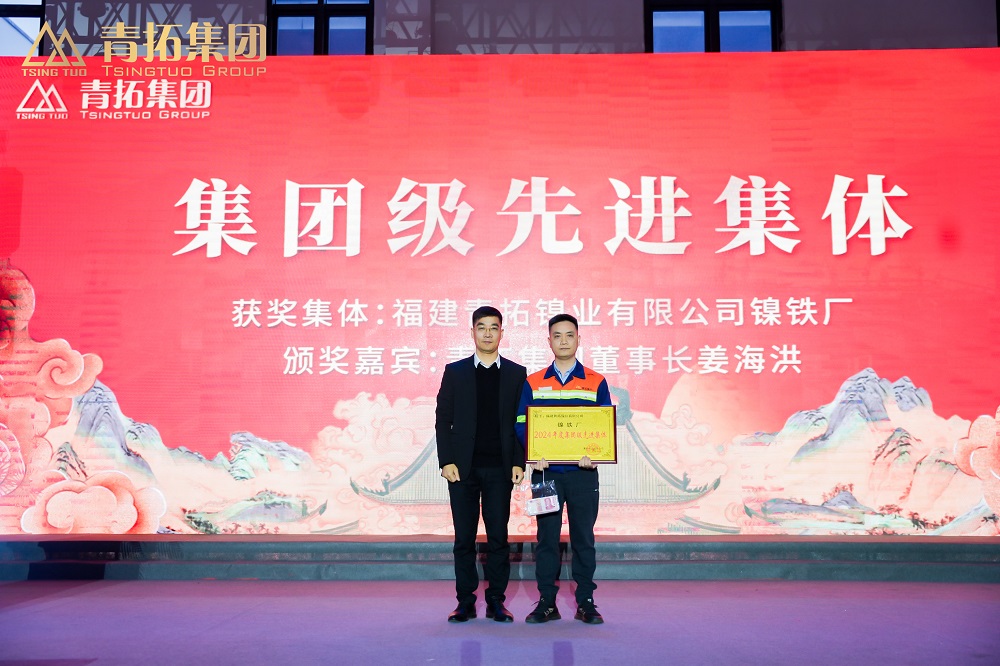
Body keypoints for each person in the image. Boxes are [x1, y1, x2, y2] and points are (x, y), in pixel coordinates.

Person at [515, 313, 611, 625]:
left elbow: (603, 427)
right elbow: (521, 422)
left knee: (584, 538)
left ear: (579, 339)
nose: (564, 341)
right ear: (549, 341)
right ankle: (547, 602)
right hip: (546, 474)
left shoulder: (596, 381)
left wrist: (595, 454)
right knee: (546, 540)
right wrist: (533, 453)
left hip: (583, 475)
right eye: (557, 336)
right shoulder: (533, 382)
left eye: (570, 335)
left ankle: (586, 602)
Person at [435, 305, 527, 623]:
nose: (488, 333)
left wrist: (518, 461)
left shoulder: (516, 373)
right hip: (462, 469)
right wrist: (446, 460)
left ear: (502, 332)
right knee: (464, 538)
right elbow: (442, 420)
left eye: (494, 327)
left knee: (498, 537)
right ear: (472, 332)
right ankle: (465, 601)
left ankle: (496, 601)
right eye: (482, 327)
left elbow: (521, 421)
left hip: (500, 469)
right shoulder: (455, 372)